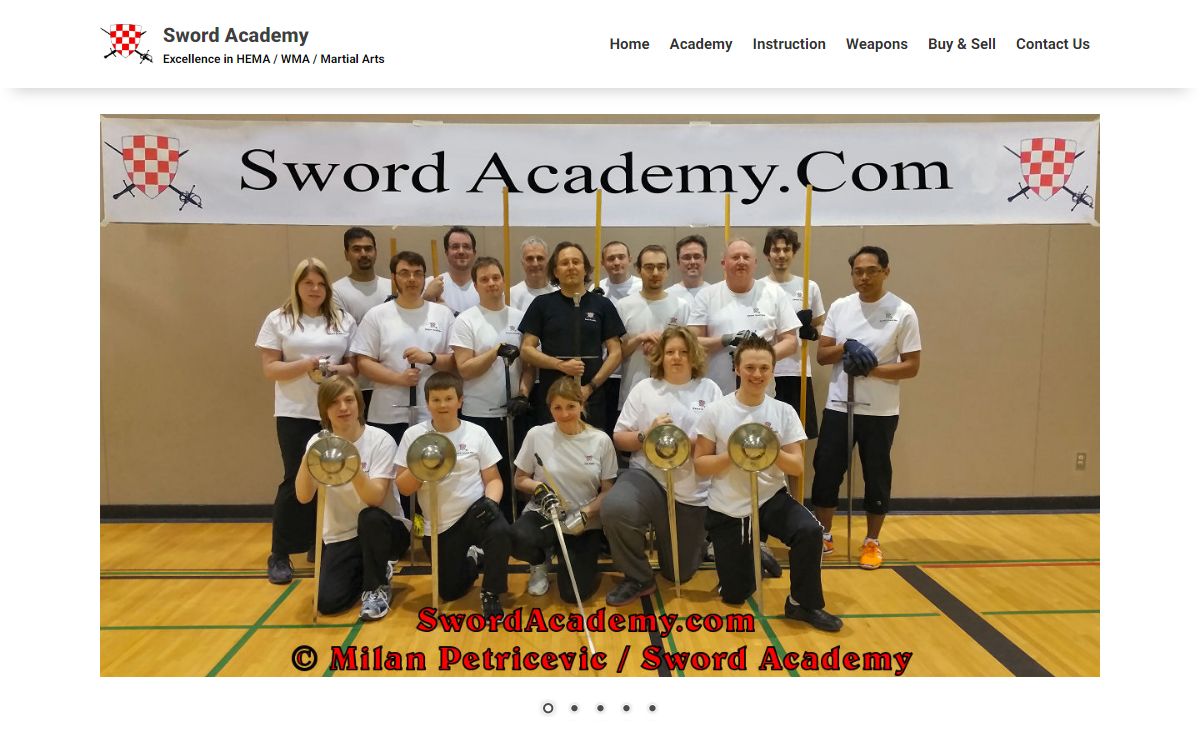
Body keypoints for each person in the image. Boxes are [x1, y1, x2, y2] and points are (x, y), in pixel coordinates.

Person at [693, 334, 842, 632]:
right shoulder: (716, 411)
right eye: (750, 367)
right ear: (737, 368)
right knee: (736, 595)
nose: (757, 374)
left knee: (809, 530)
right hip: (729, 506)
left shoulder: (783, 412)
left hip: (769, 497)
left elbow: (797, 466)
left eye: (764, 368)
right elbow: (700, 465)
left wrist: (770, 449)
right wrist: (733, 454)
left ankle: (802, 603)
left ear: (772, 370)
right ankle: (753, 554)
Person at [812, 246, 921, 568]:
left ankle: (872, 541)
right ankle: (823, 535)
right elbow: (823, 355)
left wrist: (870, 369)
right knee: (827, 471)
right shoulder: (840, 307)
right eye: (858, 271)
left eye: (871, 270)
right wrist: (847, 347)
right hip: (839, 406)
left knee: (877, 475)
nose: (864, 277)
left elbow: (911, 366)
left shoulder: (903, 312)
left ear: (886, 271)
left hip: (880, 411)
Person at [255, 258, 357, 585]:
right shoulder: (279, 319)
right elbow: (270, 369)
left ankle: (321, 542)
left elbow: (353, 367)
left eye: (320, 284)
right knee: (295, 479)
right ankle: (280, 552)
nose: (315, 289)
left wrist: (332, 369)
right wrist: (306, 365)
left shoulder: (342, 319)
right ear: (297, 286)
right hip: (294, 412)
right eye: (308, 283)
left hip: (334, 412)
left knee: (334, 477)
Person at [602, 327, 721, 605]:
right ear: (660, 356)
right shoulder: (645, 388)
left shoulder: (709, 389)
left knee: (678, 573)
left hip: (692, 488)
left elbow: (720, 441)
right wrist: (647, 435)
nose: (676, 357)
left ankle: (702, 541)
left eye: (683, 352)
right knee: (616, 508)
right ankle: (638, 577)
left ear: (693, 355)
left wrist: (688, 444)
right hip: (648, 476)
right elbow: (619, 438)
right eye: (670, 352)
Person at [394, 372, 513, 617]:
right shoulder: (414, 436)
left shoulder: (477, 433)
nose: (442, 405)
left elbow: (493, 479)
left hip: (474, 512)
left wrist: (491, 501)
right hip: (440, 525)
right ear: (427, 403)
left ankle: (491, 592)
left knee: (500, 530)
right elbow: (404, 488)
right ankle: (472, 558)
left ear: (460, 401)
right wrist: (423, 467)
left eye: (448, 398)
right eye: (436, 400)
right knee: (450, 591)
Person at [295, 376, 411, 620]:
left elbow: (374, 499)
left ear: (359, 403)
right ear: (325, 410)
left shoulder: (380, 440)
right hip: (342, 535)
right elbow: (303, 497)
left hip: (385, 530)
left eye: (349, 400)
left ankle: (377, 585)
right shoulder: (318, 443)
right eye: (334, 402)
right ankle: (371, 568)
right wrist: (309, 457)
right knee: (329, 603)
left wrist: (350, 461)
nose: (343, 408)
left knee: (369, 517)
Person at [512, 377, 618, 601]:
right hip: (545, 513)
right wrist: (539, 487)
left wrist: (586, 513)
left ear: (582, 405)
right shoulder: (536, 435)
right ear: (549, 408)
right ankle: (539, 562)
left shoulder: (601, 440)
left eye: (571, 406)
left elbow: (608, 490)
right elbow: (519, 479)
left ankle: (570, 555)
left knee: (572, 594)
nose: (564, 414)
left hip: (583, 520)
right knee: (516, 538)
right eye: (557, 408)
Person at [449, 257, 534, 522]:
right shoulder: (466, 321)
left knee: (516, 474)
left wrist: (523, 394)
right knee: (487, 477)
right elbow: (464, 368)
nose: (491, 283)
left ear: (503, 280)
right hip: (479, 414)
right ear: (475, 285)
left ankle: (515, 526)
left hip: (513, 412)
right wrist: (494, 352)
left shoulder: (520, 318)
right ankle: (489, 528)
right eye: (484, 279)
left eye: (496, 277)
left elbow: (529, 366)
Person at [351, 250, 456, 446]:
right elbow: (363, 363)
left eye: (418, 273)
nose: (412, 279)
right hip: (387, 413)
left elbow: (454, 362)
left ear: (424, 278)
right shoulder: (377, 315)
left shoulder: (443, 314)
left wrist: (430, 358)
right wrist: (399, 379)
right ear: (394, 277)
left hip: (432, 412)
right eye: (405, 273)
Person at [519, 241, 625, 429]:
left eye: (576, 262)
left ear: (585, 269)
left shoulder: (602, 305)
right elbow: (527, 350)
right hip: (553, 398)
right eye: (564, 263)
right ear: (555, 271)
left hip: (591, 397)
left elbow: (615, 352)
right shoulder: (542, 304)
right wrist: (560, 365)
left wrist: (590, 387)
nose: (570, 267)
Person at [688, 238, 800, 396]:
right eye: (735, 257)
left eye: (746, 257)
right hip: (717, 393)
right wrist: (725, 339)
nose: (741, 261)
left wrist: (758, 357)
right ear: (724, 263)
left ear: (755, 263)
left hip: (761, 394)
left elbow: (791, 342)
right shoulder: (706, 296)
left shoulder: (774, 294)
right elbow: (692, 342)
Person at [759, 227, 825, 440]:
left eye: (786, 249)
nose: (781, 255)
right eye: (775, 250)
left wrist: (812, 333)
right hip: (766, 372)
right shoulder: (758, 288)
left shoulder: (808, 287)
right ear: (767, 254)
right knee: (766, 434)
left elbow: (821, 326)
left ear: (794, 252)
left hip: (797, 372)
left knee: (795, 437)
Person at [615, 245, 691, 409]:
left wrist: (662, 347)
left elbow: (689, 351)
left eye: (661, 267)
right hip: (633, 392)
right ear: (638, 269)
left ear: (667, 270)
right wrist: (639, 339)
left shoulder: (681, 306)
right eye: (649, 267)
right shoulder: (624, 306)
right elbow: (616, 354)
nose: (655, 273)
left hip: (673, 393)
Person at [332, 227, 392, 416]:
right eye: (356, 249)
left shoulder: (393, 286)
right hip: (357, 385)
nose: (364, 254)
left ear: (376, 252)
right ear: (346, 254)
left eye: (368, 248)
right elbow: (344, 337)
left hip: (391, 381)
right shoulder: (336, 291)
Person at [596, 240, 642, 438]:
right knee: (608, 429)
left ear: (630, 259)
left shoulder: (642, 287)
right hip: (607, 374)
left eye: (621, 257)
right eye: (611, 258)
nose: (616, 262)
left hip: (635, 372)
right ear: (603, 263)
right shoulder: (596, 289)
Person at [423, 225, 480, 315]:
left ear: (474, 253)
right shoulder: (430, 284)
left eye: (466, 246)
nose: (461, 251)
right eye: (455, 247)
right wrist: (427, 299)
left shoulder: (486, 285)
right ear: (447, 253)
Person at [665, 234, 711, 310]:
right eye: (686, 257)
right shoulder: (668, 296)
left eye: (697, 257)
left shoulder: (715, 294)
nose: (692, 262)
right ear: (678, 262)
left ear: (705, 260)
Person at [509, 236, 555, 311]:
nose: (535, 264)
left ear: (548, 262)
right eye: (529, 258)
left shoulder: (558, 293)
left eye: (540, 258)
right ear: (522, 263)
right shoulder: (510, 296)